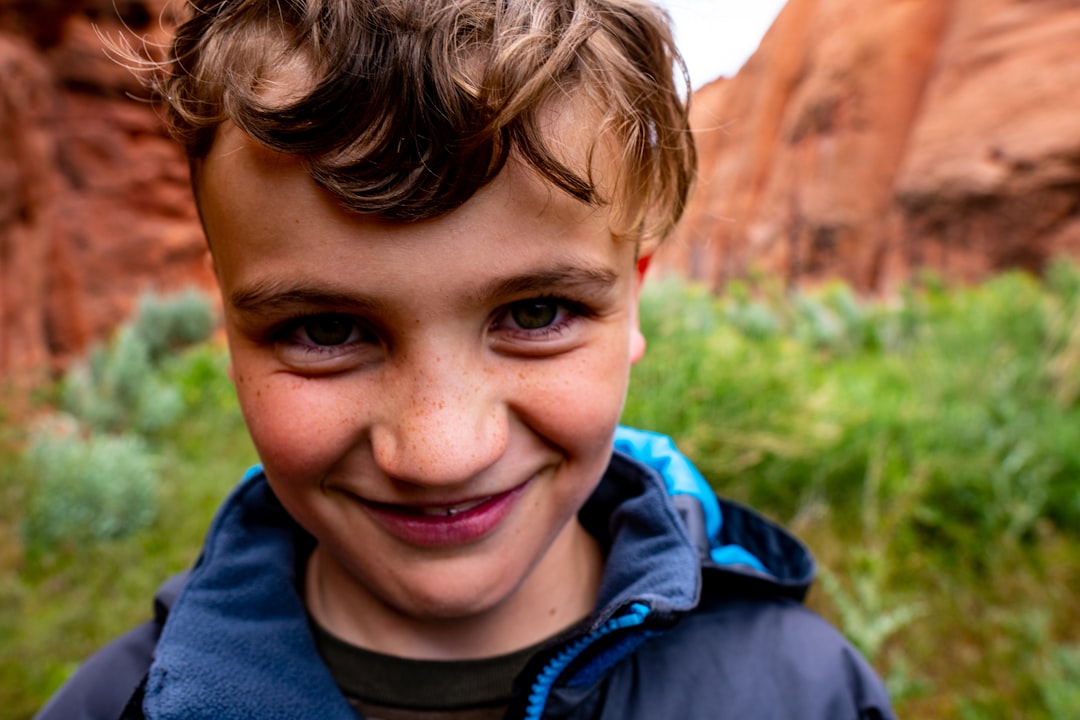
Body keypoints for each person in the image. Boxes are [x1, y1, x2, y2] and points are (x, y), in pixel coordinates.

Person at [37, 0, 896, 718]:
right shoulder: (111, 706)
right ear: (225, 324)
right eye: (327, 331)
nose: (441, 455)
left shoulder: (804, 692)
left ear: (633, 297)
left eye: (536, 313)